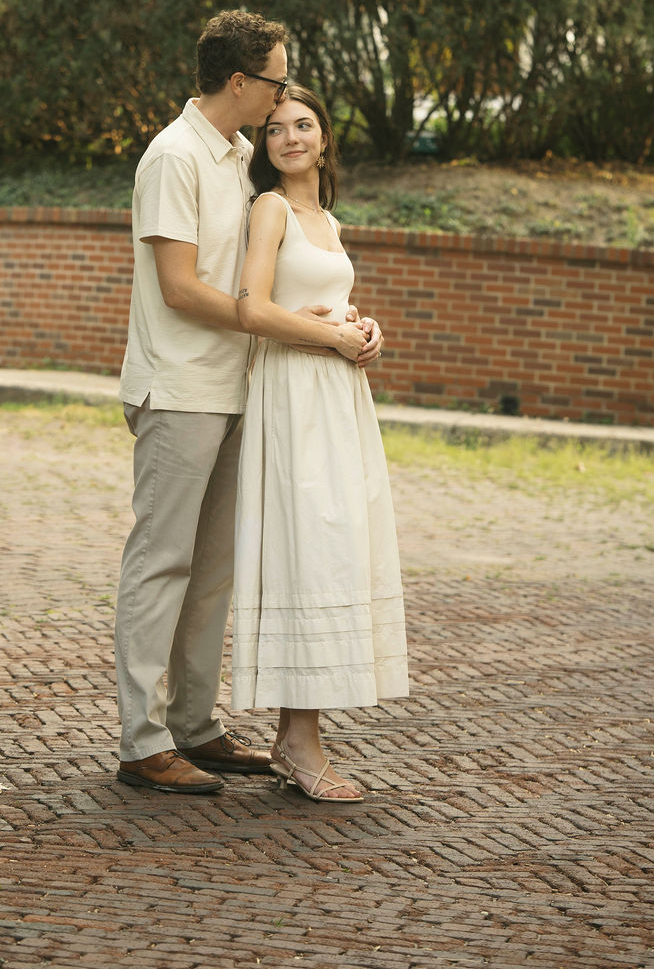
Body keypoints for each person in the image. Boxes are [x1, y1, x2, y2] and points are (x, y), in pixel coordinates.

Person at [114, 12, 382, 795]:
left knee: (215, 570)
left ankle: (194, 727)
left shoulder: (238, 154)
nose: (279, 97)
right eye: (274, 79)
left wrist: (330, 323)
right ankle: (142, 739)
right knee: (161, 560)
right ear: (242, 83)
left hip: (242, 386)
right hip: (182, 386)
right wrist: (291, 327)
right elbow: (180, 288)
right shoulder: (173, 157)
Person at [232, 84, 409, 803]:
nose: (291, 137)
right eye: (276, 129)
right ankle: (299, 743)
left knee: (334, 552)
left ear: (325, 139)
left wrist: (364, 332)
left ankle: (294, 737)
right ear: (266, 147)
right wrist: (330, 335)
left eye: (303, 125)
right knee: (307, 551)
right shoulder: (270, 208)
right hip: (292, 396)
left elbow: (326, 304)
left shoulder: (326, 219)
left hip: (338, 399)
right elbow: (252, 309)